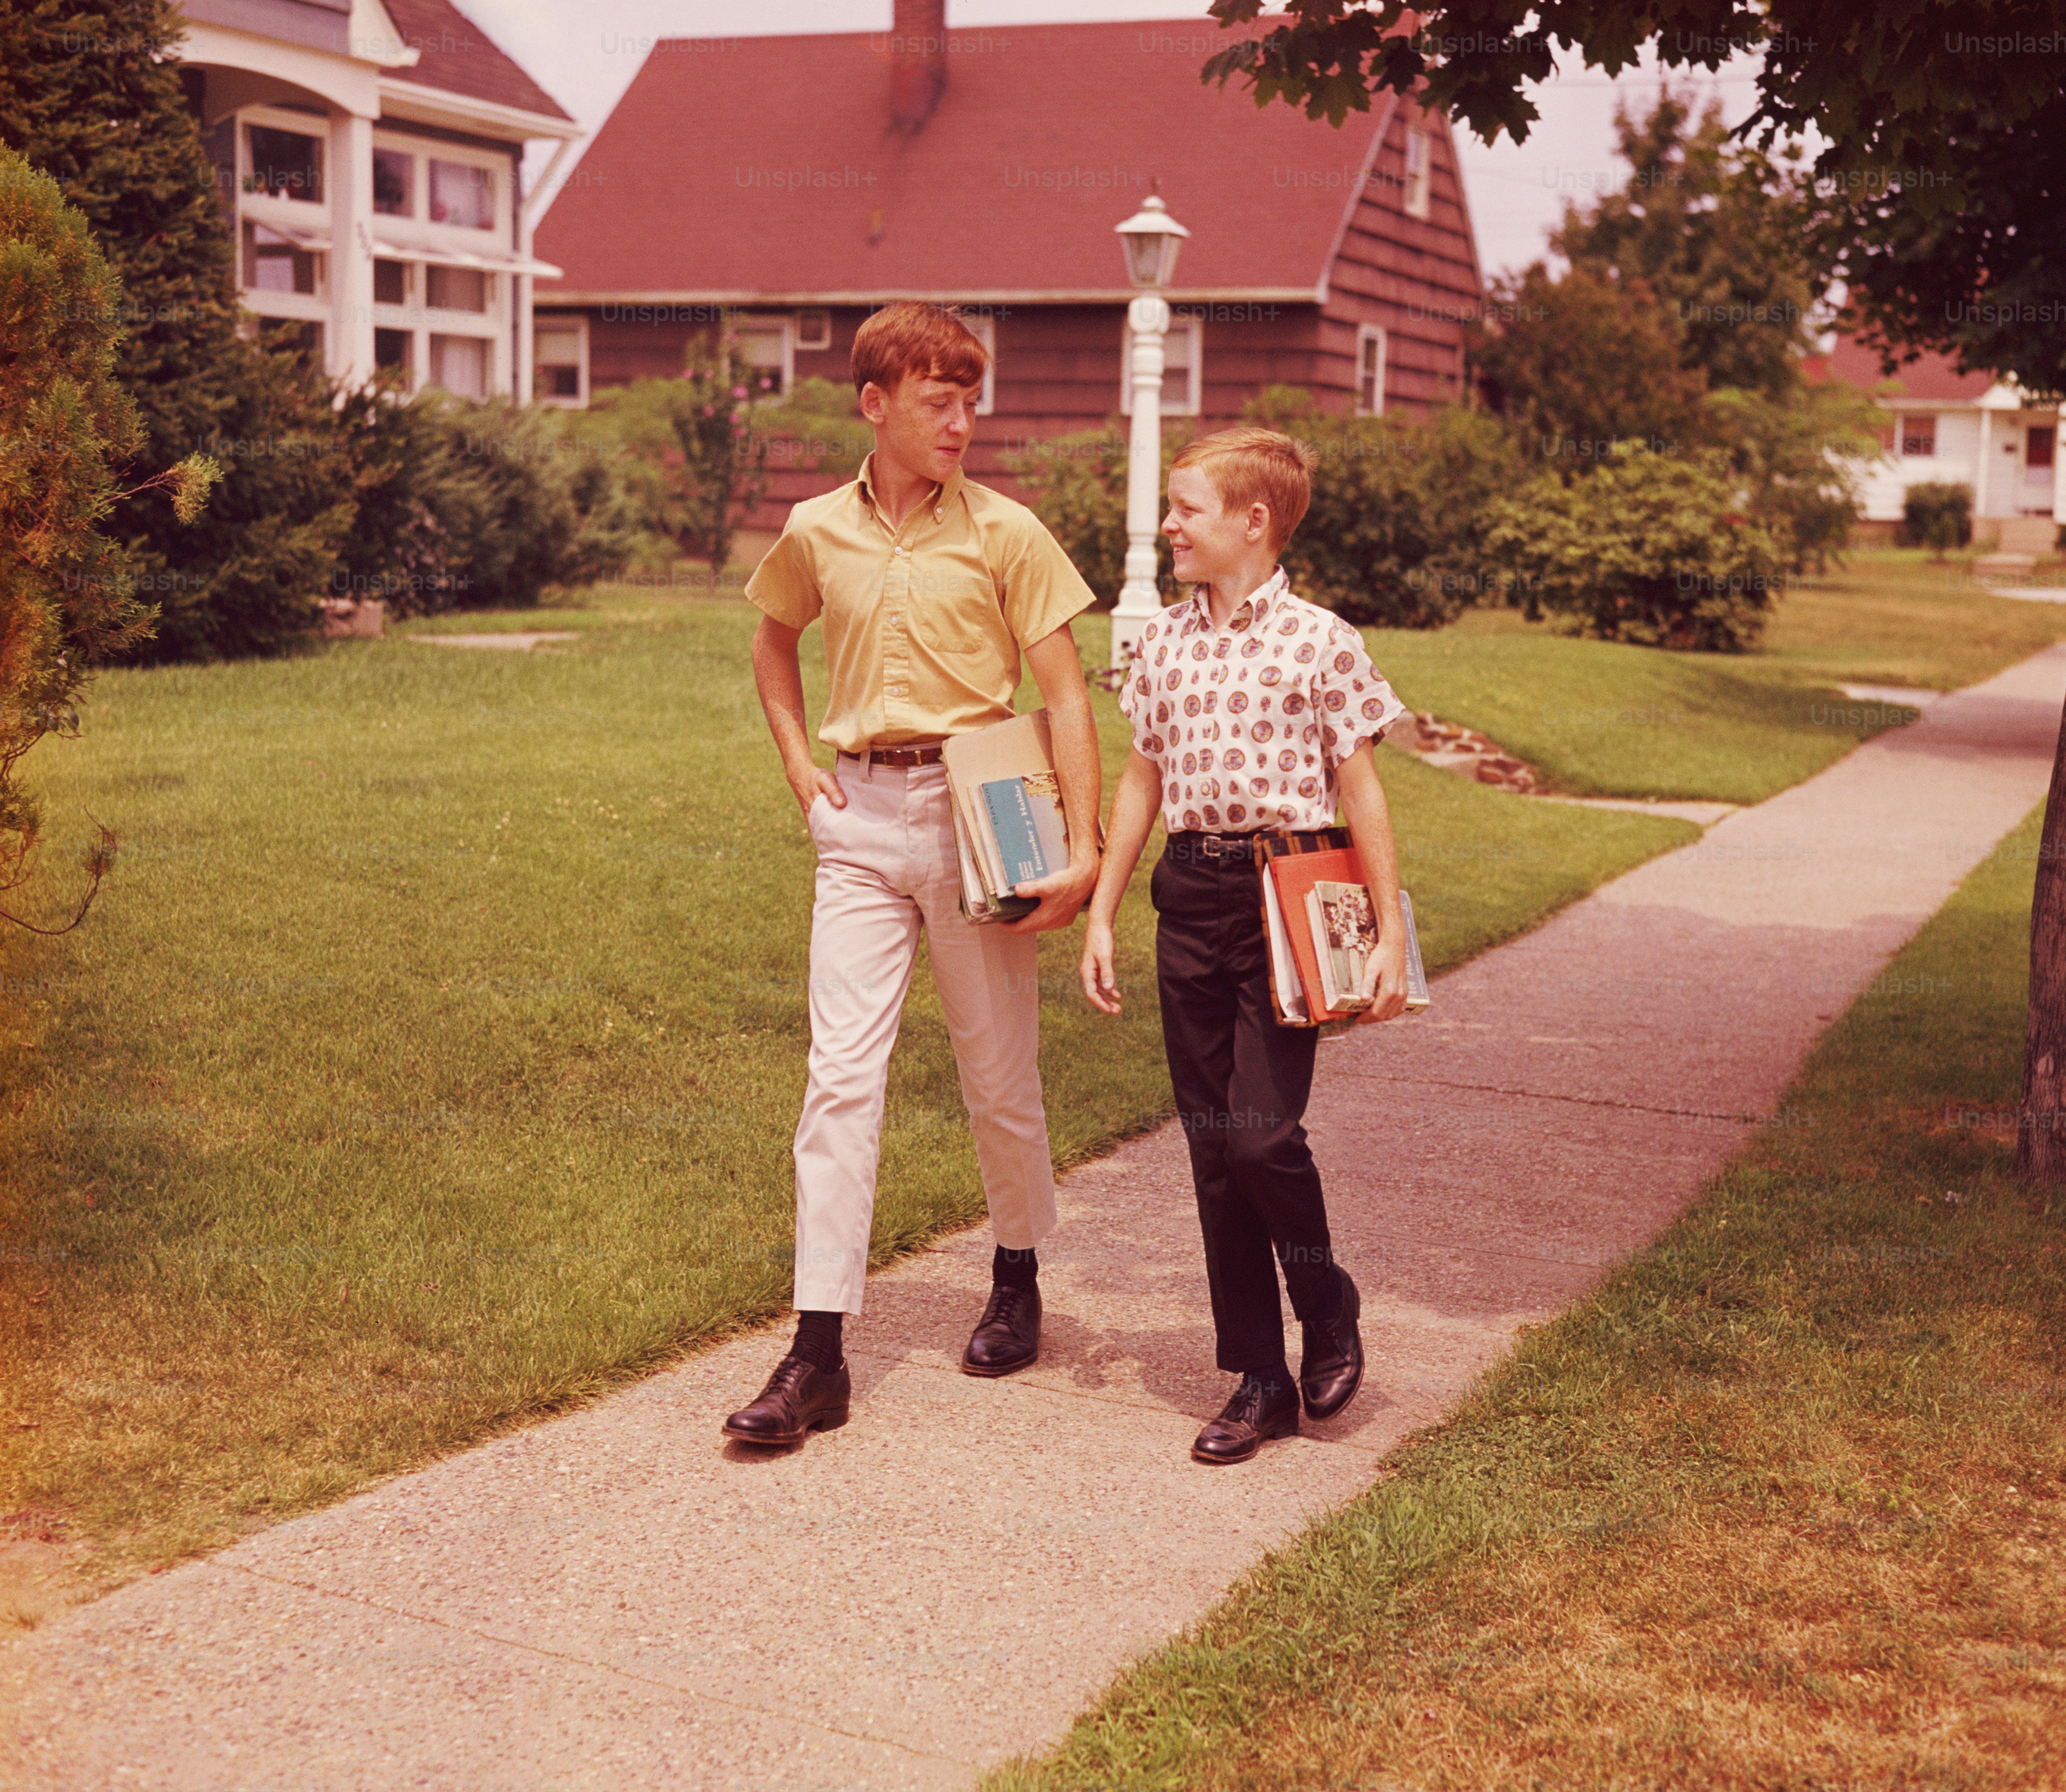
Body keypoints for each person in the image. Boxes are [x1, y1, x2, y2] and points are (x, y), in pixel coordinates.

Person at [722, 302, 1103, 1449]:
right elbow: (773, 638)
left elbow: (1069, 696)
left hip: (979, 808)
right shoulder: (814, 530)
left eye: (971, 401)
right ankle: (817, 1352)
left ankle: (1018, 1267)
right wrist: (799, 761)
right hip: (858, 817)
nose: (963, 422)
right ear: (874, 404)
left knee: (998, 1074)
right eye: (939, 402)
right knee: (839, 1079)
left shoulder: (1007, 532)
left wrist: (1082, 851)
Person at [1079, 426, 1410, 1465]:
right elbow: (1141, 778)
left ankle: (1327, 1296)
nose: (1167, 526)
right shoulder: (1160, 644)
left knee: (1263, 1131)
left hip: (1288, 897)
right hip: (1192, 897)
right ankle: (1258, 1376)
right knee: (1213, 1150)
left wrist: (1392, 929)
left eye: (1185, 509)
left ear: (1252, 522)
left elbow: (1360, 786)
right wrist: (1101, 908)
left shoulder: (1322, 640)